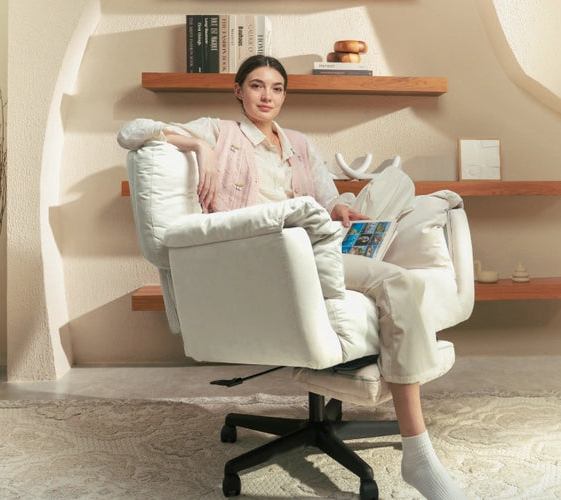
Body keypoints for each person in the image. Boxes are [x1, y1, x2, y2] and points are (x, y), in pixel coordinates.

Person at [120, 55, 465, 500]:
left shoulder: (299, 144)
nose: (267, 96)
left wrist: (339, 206)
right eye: (258, 86)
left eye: (277, 88)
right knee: (400, 283)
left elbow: (323, 196)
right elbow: (131, 132)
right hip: (270, 260)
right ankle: (418, 455)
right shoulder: (216, 132)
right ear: (238, 91)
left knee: (395, 184)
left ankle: (378, 372)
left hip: (320, 246)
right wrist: (196, 147)